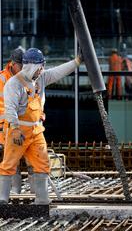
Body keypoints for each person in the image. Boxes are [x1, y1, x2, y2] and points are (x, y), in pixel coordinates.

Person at [0, 48, 81, 205]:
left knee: (42, 163)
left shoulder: (40, 78)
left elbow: (58, 72)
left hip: (36, 131)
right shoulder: (14, 83)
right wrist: (15, 129)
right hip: (19, 131)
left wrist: (77, 62)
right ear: (31, 66)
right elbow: (9, 108)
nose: (42, 70)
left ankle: (42, 199)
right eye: (40, 67)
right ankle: (2, 198)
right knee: (9, 163)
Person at [0, 47, 27, 194]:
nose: (23, 69)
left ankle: (21, 194)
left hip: (23, 127)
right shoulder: (2, 79)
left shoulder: (27, 78)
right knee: (11, 161)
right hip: (5, 128)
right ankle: (12, 194)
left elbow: (35, 100)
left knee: (30, 162)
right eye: (21, 65)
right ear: (12, 63)